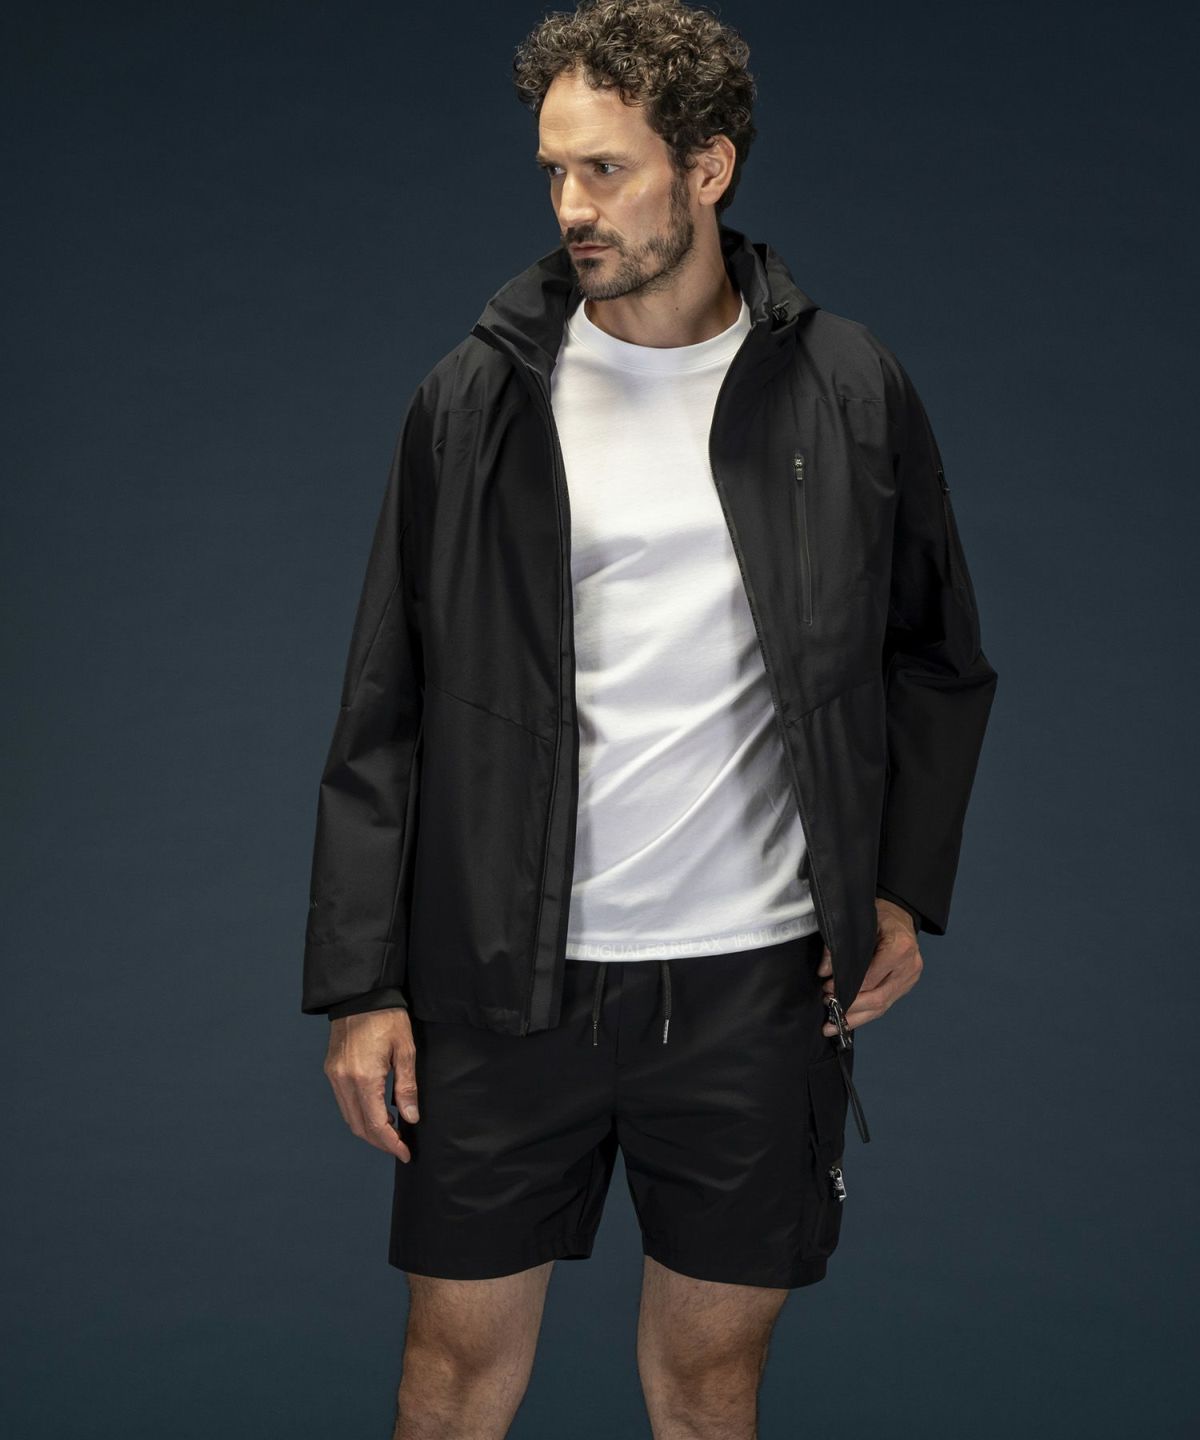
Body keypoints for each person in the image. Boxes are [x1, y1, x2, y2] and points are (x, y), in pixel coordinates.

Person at [301, 2, 998, 1435]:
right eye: (554, 171)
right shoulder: (476, 399)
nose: (572, 205)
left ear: (708, 167)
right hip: (501, 985)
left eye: (607, 169)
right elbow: (384, 706)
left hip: (754, 986)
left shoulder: (848, 388)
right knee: (452, 1376)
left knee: (707, 1386)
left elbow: (936, 657)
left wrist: (896, 888)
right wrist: (363, 987)